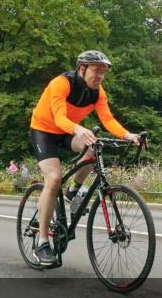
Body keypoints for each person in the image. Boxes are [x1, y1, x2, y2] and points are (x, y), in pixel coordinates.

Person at [29, 50, 141, 265]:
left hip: (68, 131)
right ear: (82, 68)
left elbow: (108, 119)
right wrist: (79, 129)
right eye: (96, 70)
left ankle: (72, 191)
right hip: (43, 131)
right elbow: (59, 118)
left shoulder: (98, 93)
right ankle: (42, 243)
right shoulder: (61, 84)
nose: (99, 76)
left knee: (94, 146)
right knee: (53, 179)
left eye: (103, 72)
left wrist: (127, 135)